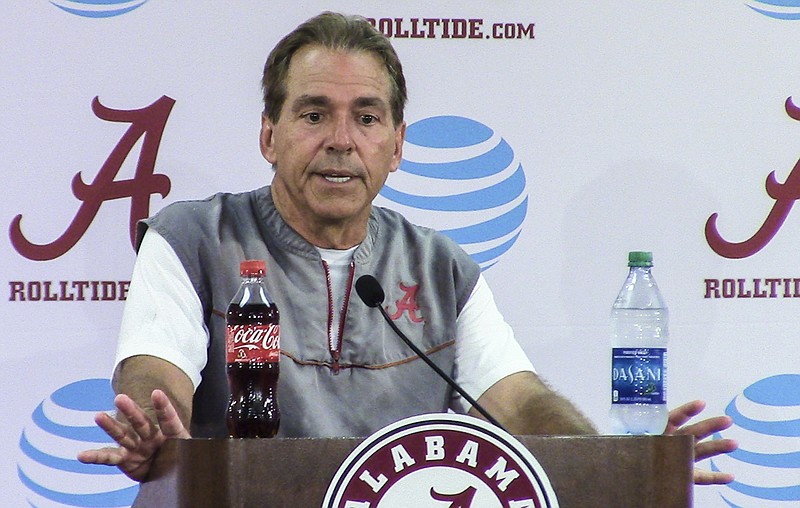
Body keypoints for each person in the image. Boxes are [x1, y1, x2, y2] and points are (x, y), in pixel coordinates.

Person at [78, 11, 737, 484]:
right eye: (313, 114)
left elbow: (520, 403)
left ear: (396, 146)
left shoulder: (440, 269)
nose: (341, 139)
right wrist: (155, 431)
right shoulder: (193, 240)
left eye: (366, 117)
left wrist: (612, 465)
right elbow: (154, 375)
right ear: (268, 136)